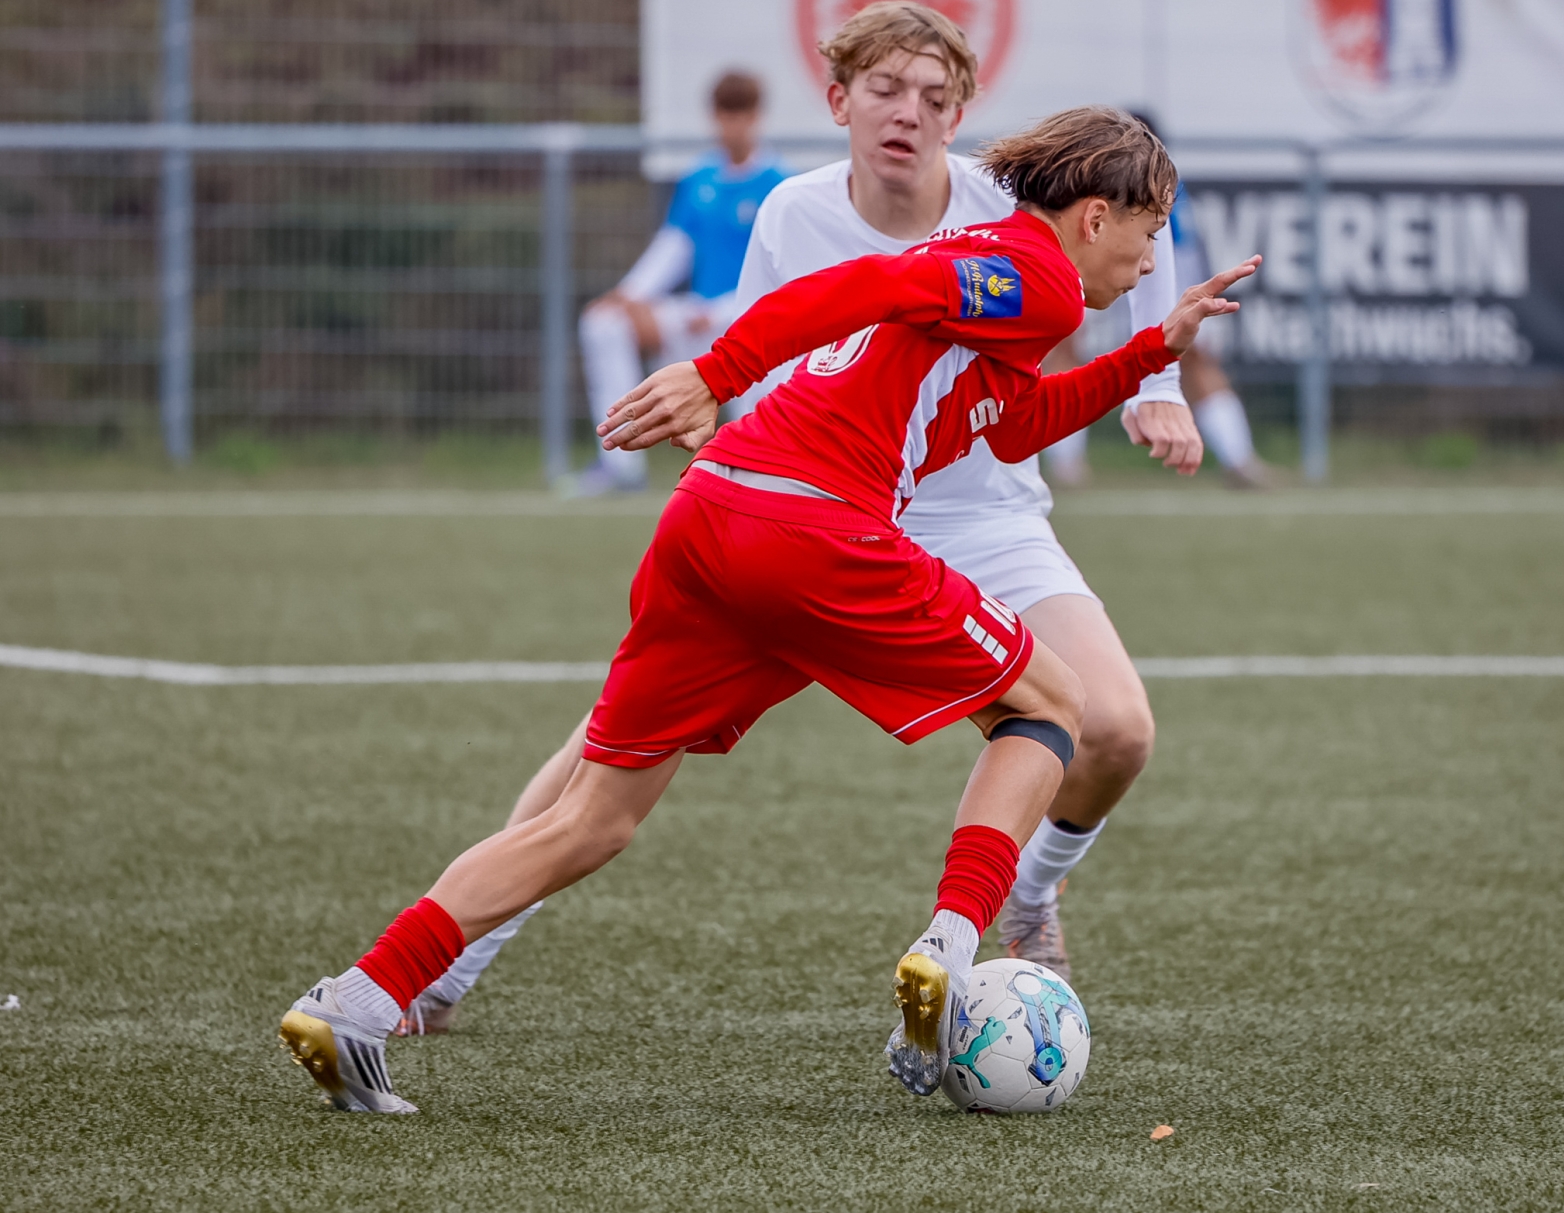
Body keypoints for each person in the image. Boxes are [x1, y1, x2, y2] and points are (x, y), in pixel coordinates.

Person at [277, 105, 1259, 1114]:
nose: (1152, 262)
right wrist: (716, 371)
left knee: (594, 817)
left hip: (713, 512)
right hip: (814, 526)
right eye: (1150, 233)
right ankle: (951, 946)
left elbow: (1010, 429)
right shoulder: (1037, 275)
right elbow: (868, 283)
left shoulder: (1006, 285)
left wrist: (1152, 352)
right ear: (1094, 217)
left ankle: (358, 1000)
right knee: (1054, 706)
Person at [571, 70, 785, 495]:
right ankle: (620, 465)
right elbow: (674, 247)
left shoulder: (779, 186)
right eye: (725, 115)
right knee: (603, 322)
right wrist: (629, 296)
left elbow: (779, 275)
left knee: (764, 418)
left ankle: (769, 477)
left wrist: (722, 311)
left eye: (741, 115)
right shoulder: (699, 180)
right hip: (692, 317)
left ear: (757, 117)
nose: (733, 126)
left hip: (743, 322)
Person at [1132, 111, 1276, 489]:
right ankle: (1238, 459)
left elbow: (1181, 249)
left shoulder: (1164, 184)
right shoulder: (1147, 185)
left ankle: (1238, 459)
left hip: (1166, 287)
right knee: (1192, 367)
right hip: (1150, 287)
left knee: (1193, 367)